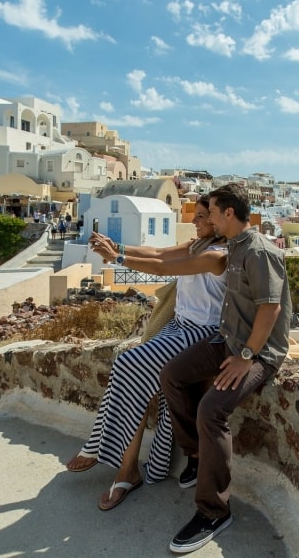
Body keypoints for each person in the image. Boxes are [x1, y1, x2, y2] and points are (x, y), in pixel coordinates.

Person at [66, 197, 228, 512]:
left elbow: (163, 266)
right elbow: (157, 252)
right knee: (133, 375)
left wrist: (117, 257)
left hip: (201, 335)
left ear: (219, 220)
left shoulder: (218, 254)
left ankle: (105, 454)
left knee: (128, 363)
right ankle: (127, 470)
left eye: (203, 217)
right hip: (178, 327)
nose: (195, 222)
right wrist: (119, 247)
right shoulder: (198, 245)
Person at [160, 183, 292, 554]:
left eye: (213, 212)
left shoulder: (260, 251)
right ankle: (198, 455)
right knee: (173, 375)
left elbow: (271, 309)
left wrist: (247, 356)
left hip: (259, 352)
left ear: (229, 214)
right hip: (228, 340)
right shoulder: (233, 247)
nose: (209, 217)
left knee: (212, 409)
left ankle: (214, 511)